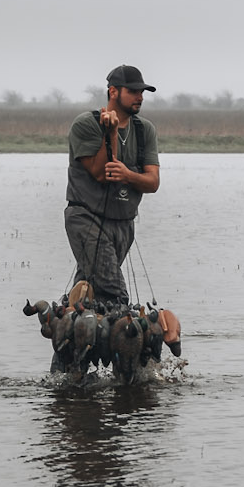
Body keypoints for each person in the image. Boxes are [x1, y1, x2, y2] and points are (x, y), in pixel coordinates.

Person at [66, 65, 161, 309]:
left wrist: (128, 175)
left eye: (142, 92)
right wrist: (109, 133)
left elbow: (153, 182)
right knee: (114, 293)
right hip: (86, 218)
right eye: (133, 91)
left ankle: (72, 325)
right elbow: (101, 173)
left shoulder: (144, 130)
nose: (140, 97)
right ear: (113, 92)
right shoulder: (86, 124)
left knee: (92, 289)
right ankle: (121, 327)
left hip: (123, 223)